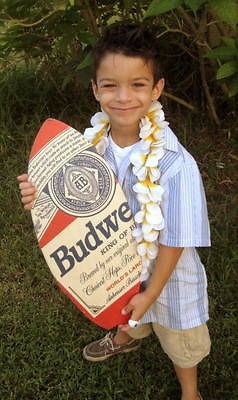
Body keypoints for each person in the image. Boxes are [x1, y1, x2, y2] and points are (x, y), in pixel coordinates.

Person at [17, 24, 211, 400]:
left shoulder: (175, 165)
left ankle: (191, 390)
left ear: (157, 89)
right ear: (95, 88)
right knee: (126, 313)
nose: (123, 97)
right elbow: (73, 203)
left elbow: (175, 240)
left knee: (181, 339)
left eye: (138, 85)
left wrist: (152, 292)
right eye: (110, 85)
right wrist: (40, 198)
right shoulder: (86, 149)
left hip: (167, 280)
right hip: (113, 267)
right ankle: (125, 336)